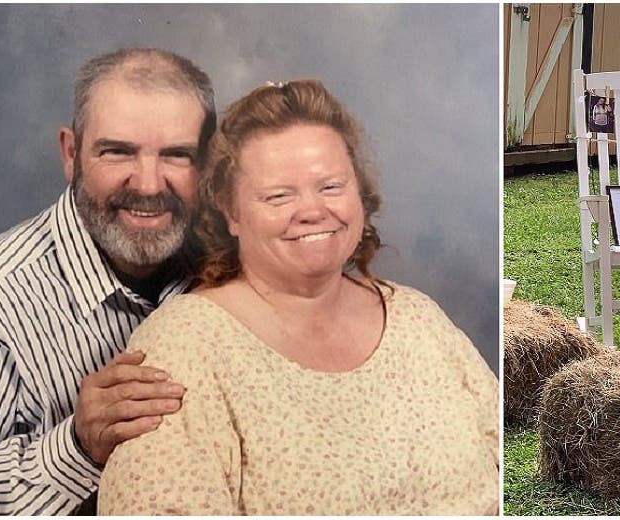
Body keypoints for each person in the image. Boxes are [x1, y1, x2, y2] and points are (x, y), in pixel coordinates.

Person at [97, 80, 499, 515]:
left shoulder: (417, 317)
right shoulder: (183, 348)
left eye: (330, 187)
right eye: (278, 195)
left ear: (358, 194)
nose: (312, 210)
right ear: (230, 212)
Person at [0, 48, 216, 515]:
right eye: (118, 151)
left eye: (177, 155)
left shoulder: (232, 266)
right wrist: (75, 449)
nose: (148, 185)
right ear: (71, 153)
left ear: (207, 165)